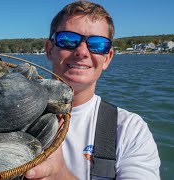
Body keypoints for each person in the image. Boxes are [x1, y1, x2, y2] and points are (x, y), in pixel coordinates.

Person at [25, 1, 161, 179]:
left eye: (97, 44)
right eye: (68, 39)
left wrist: (60, 175)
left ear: (107, 58)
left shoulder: (129, 130)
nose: (82, 51)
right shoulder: (9, 109)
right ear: (49, 49)